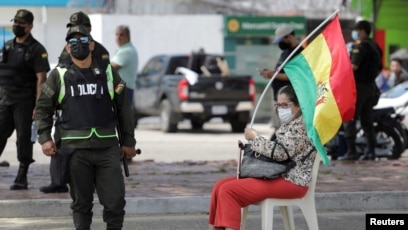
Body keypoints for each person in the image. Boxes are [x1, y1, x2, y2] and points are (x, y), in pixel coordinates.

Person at [35, 25, 137, 229]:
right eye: (73, 42)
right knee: (81, 204)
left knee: (116, 202)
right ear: (67, 47)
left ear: (91, 44)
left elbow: (123, 108)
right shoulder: (59, 75)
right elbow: (42, 108)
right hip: (74, 151)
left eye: (83, 41)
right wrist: (45, 137)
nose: (78, 45)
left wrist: (128, 142)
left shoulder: (109, 73)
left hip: (107, 148)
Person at [208, 85, 317, 230]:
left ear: (298, 105)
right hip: (277, 175)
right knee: (219, 186)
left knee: (229, 190)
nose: (280, 109)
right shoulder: (290, 124)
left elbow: (281, 153)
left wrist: (255, 138)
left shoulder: (301, 126)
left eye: (285, 105)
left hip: (291, 180)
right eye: (278, 105)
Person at [40, 11, 111, 194]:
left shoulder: (100, 50)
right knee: (61, 142)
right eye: (71, 27)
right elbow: (62, 72)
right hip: (70, 100)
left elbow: (104, 76)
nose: (75, 29)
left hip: (92, 102)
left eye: (80, 26)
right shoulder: (68, 48)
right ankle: (58, 180)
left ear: (89, 29)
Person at [0, 9, 50, 190]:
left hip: (24, 102)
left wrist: (38, 105)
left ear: (30, 26)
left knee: (23, 139)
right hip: (5, 100)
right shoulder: (7, 46)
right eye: (16, 23)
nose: (17, 26)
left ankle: (22, 176)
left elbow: (41, 79)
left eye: (21, 24)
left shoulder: (36, 49)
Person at [339, 20, 381, 161]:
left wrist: (339, 70)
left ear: (362, 31)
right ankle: (371, 151)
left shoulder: (361, 46)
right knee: (367, 120)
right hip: (370, 87)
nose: (355, 34)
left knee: (349, 118)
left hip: (358, 88)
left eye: (356, 31)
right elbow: (380, 67)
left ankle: (351, 151)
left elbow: (354, 66)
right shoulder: (375, 46)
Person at [259, 25, 303, 132]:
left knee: (287, 129)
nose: (280, 43)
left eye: (281, 40)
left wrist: (273, 74)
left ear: (289, 37)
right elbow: (280, 71)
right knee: (277, 128)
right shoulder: (285, 53)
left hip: (288, 100)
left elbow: (294, 76)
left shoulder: (299, 53)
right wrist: (270, 74)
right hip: (278, 97)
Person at [111, 25, 138, 104]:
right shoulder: (126, 49)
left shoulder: (126, 51)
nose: (118, 37)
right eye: (116, 34)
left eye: (121, 35)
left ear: (128, 37)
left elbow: (112, 68)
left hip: (122, 86)